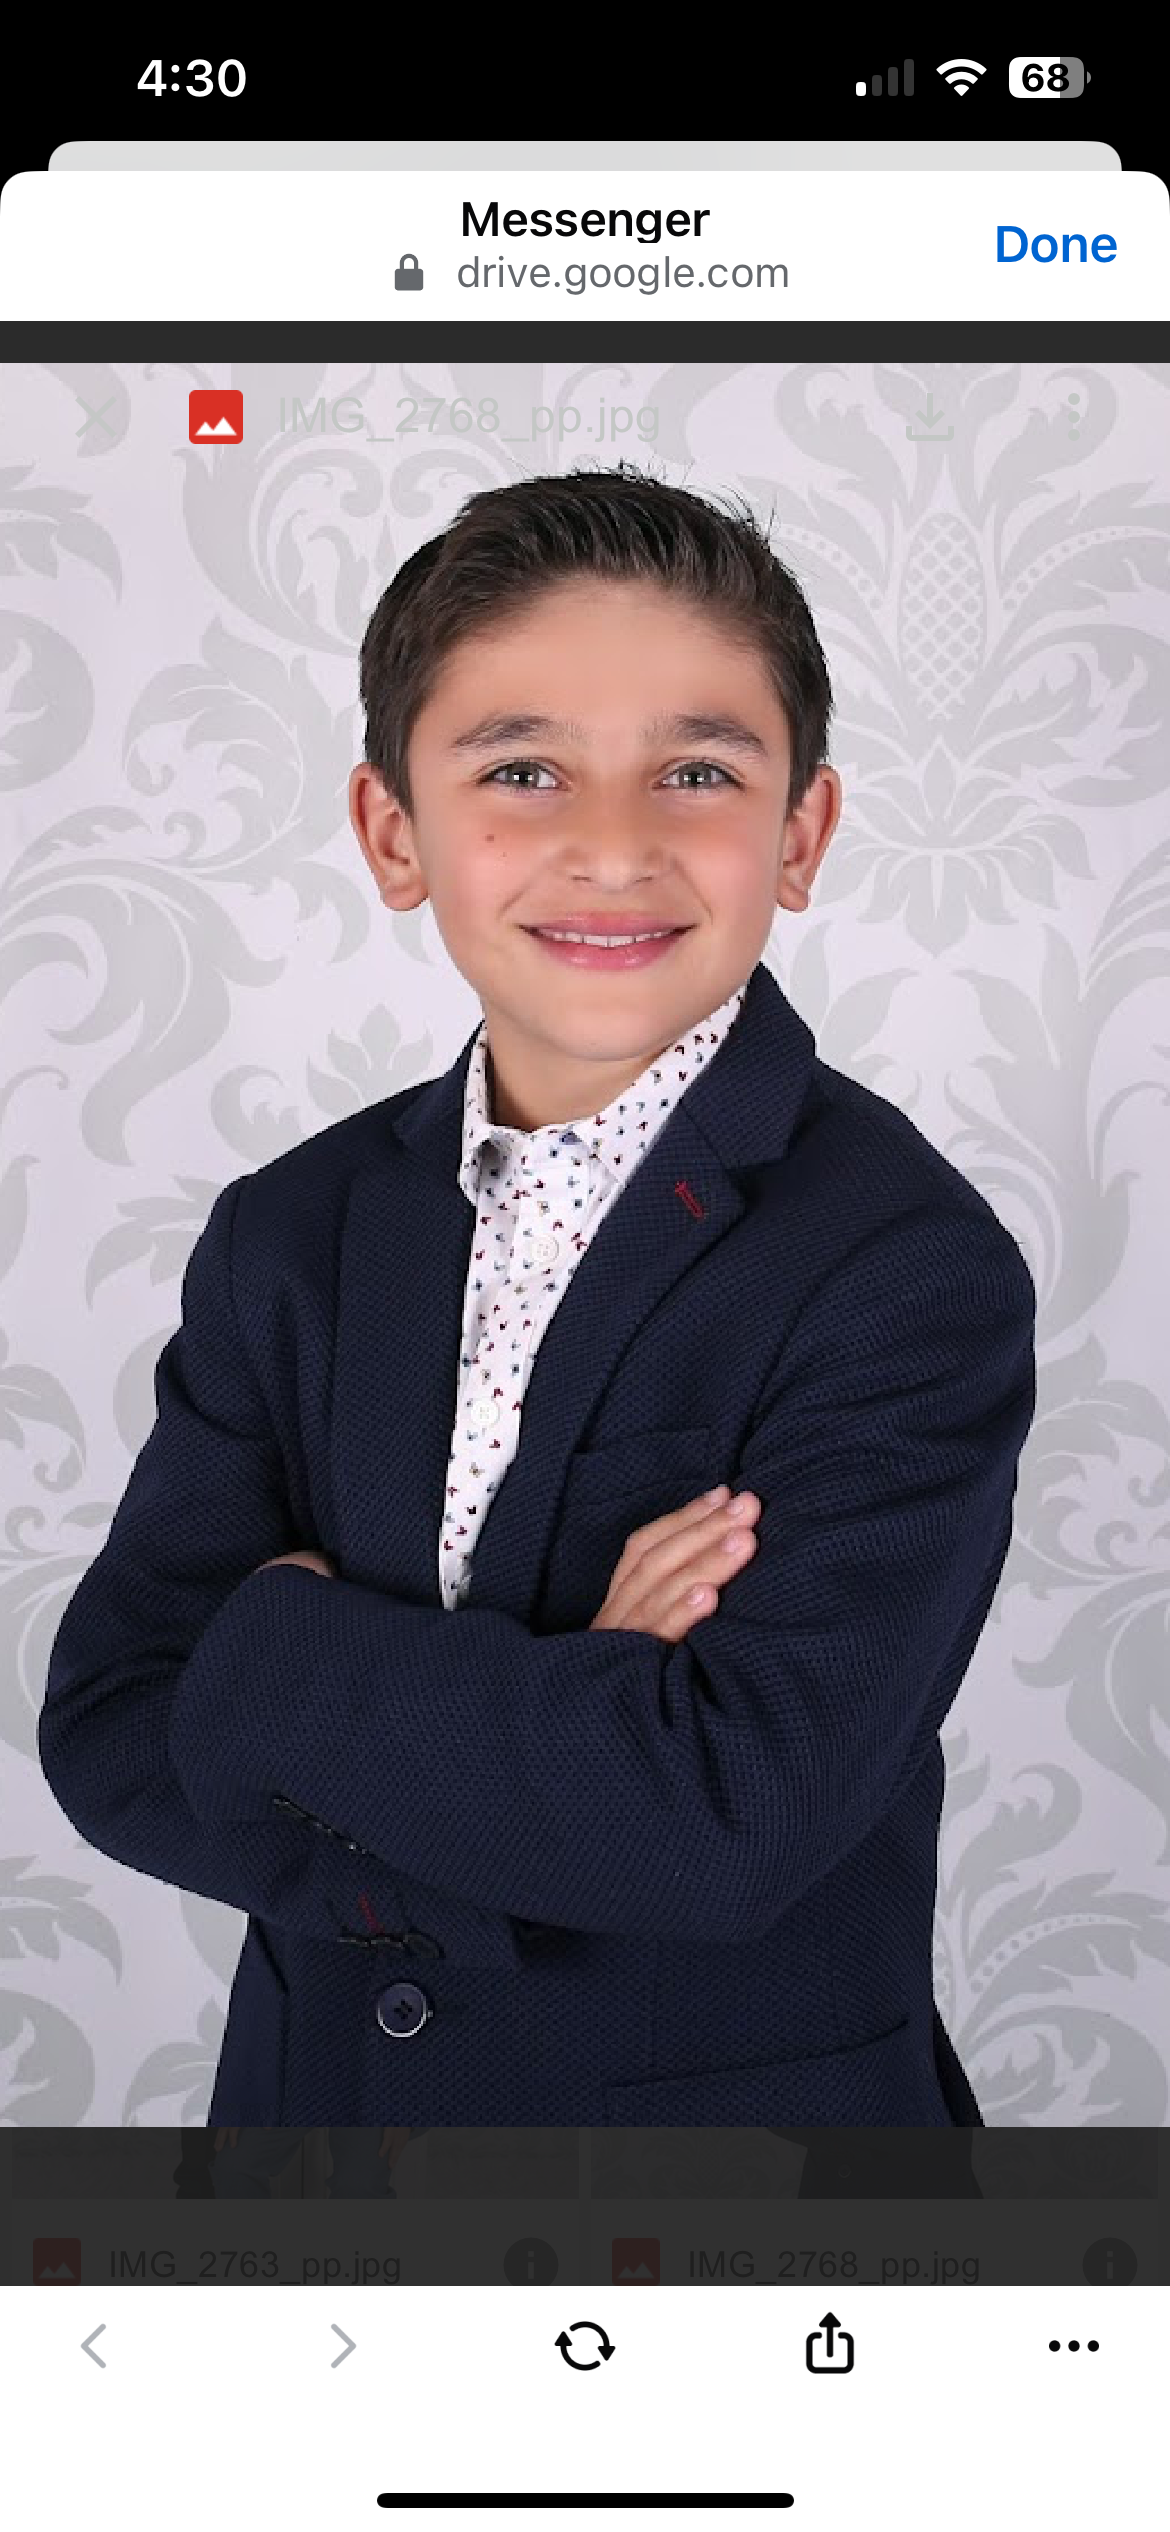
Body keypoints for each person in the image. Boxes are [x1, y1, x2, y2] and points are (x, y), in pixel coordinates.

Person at [39, 466, 1036, 2129]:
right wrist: (587, 1691)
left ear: (798, 834)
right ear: (392, 833)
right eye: (521, 770)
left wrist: (275, 1655)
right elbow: (114, 1731)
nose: (612, 847)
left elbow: (720, 1823)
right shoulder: (290, 1231)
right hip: (313, 2153)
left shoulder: (900, 1266)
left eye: (696, 772)